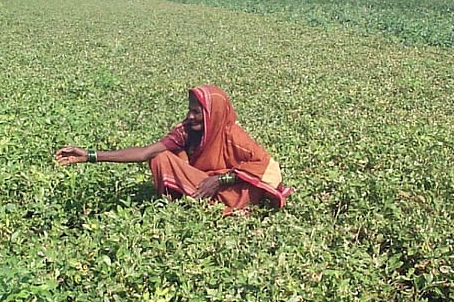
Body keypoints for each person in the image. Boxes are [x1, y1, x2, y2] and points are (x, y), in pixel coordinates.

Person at [55, 85, 292, 212]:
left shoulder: (232, 134)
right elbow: (146, 152)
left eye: (196, 112)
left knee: (236, 188)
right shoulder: (186, 131)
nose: (190, 116)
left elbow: (269, 168)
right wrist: (90, 155)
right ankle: (182, 204)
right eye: (189, 110)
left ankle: (213, 204)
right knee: (161, 158)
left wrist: (221, 179)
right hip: (202, 183)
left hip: (231, 189)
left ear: (213, 115)